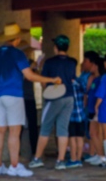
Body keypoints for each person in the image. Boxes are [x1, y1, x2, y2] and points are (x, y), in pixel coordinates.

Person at [0, 23, 49, 178]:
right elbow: (29, 76)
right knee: (15, 132)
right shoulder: (18, 54)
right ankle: (14, 166)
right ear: (17, 38)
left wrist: (2, 84)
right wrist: (51, 80)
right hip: (14, 95)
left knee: (0, 130)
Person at [29, 34, 79, 169]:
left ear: (56, 47)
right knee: (63, 129)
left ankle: (37, 158)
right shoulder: (72, 62)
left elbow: (43, 81)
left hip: (53, 98)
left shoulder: (50, 62)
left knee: (45, 128)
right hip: (69, 97)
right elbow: (73, 79)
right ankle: (60, 160)